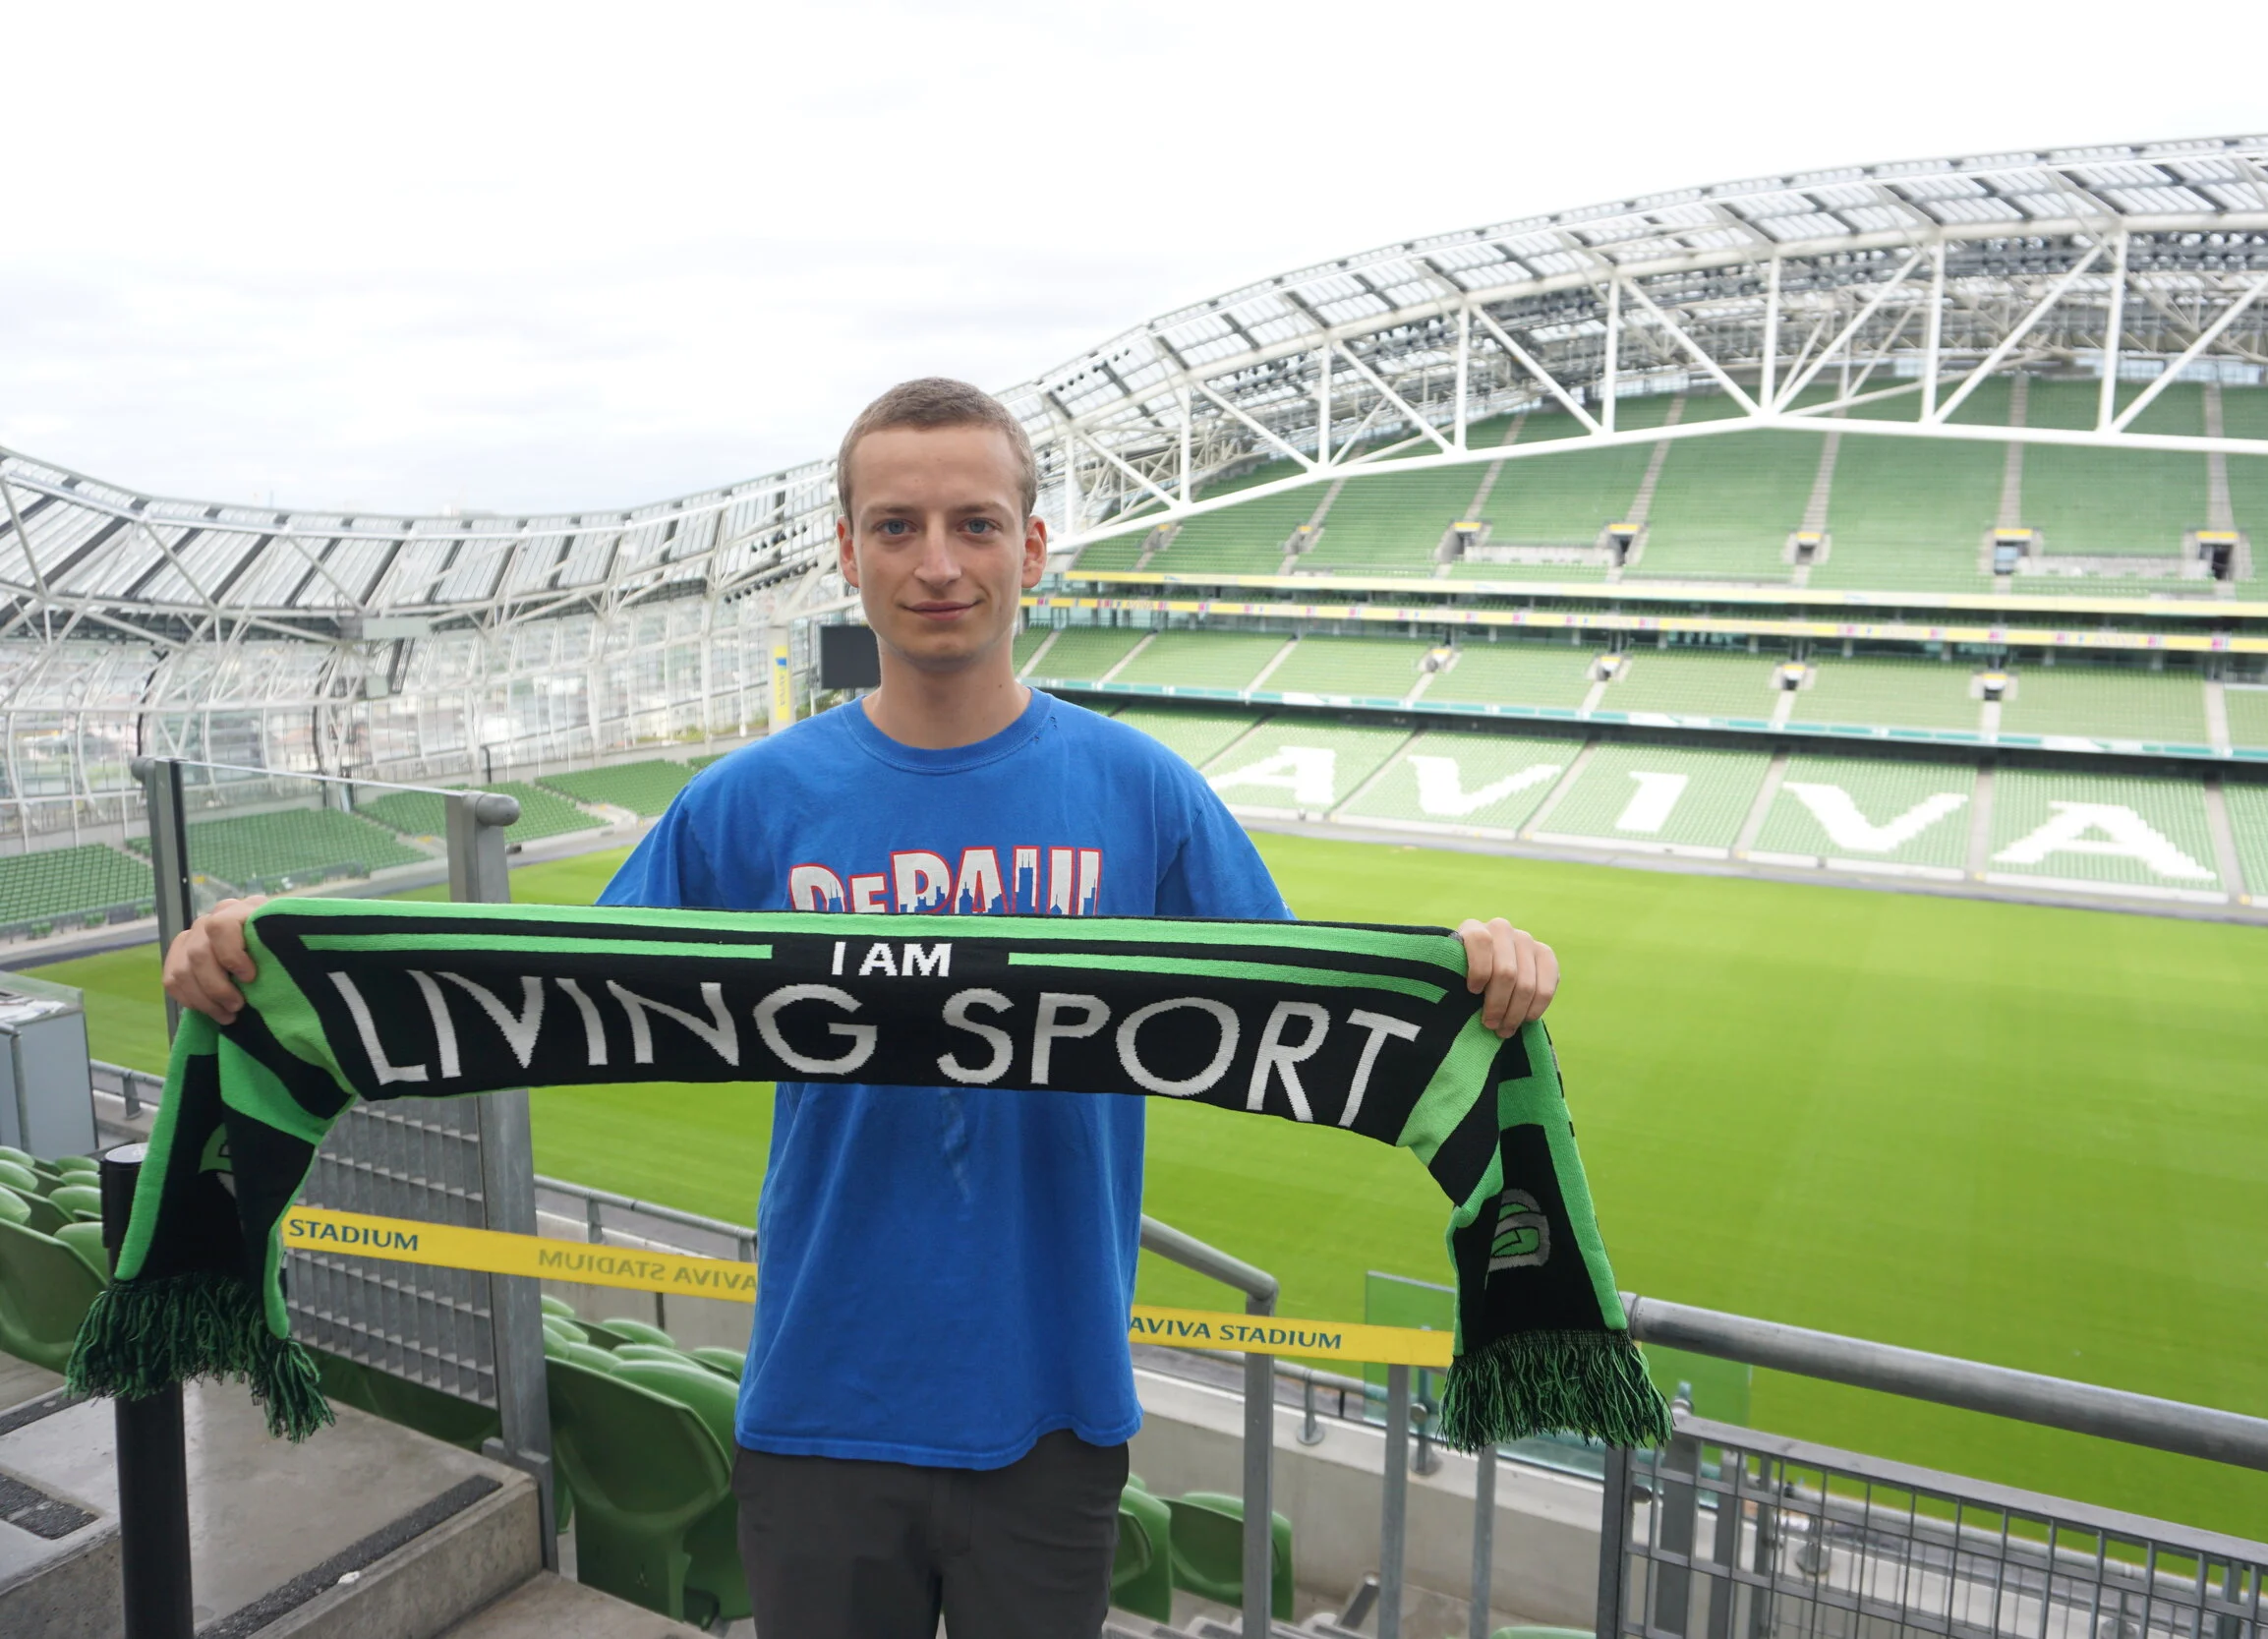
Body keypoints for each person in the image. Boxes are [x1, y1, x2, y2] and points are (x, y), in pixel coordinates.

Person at [161, 377, 1562, 1639]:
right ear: (847, 552)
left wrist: (1472, 977)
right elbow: (538, 988)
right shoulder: (750, 801)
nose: (938, 562)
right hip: (822, 1399)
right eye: (896, 526)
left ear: (1033, 548)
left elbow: (1307, 1010)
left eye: (975, 522)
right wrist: (273, 958)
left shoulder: (1143, 795)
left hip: (1055, 1411)